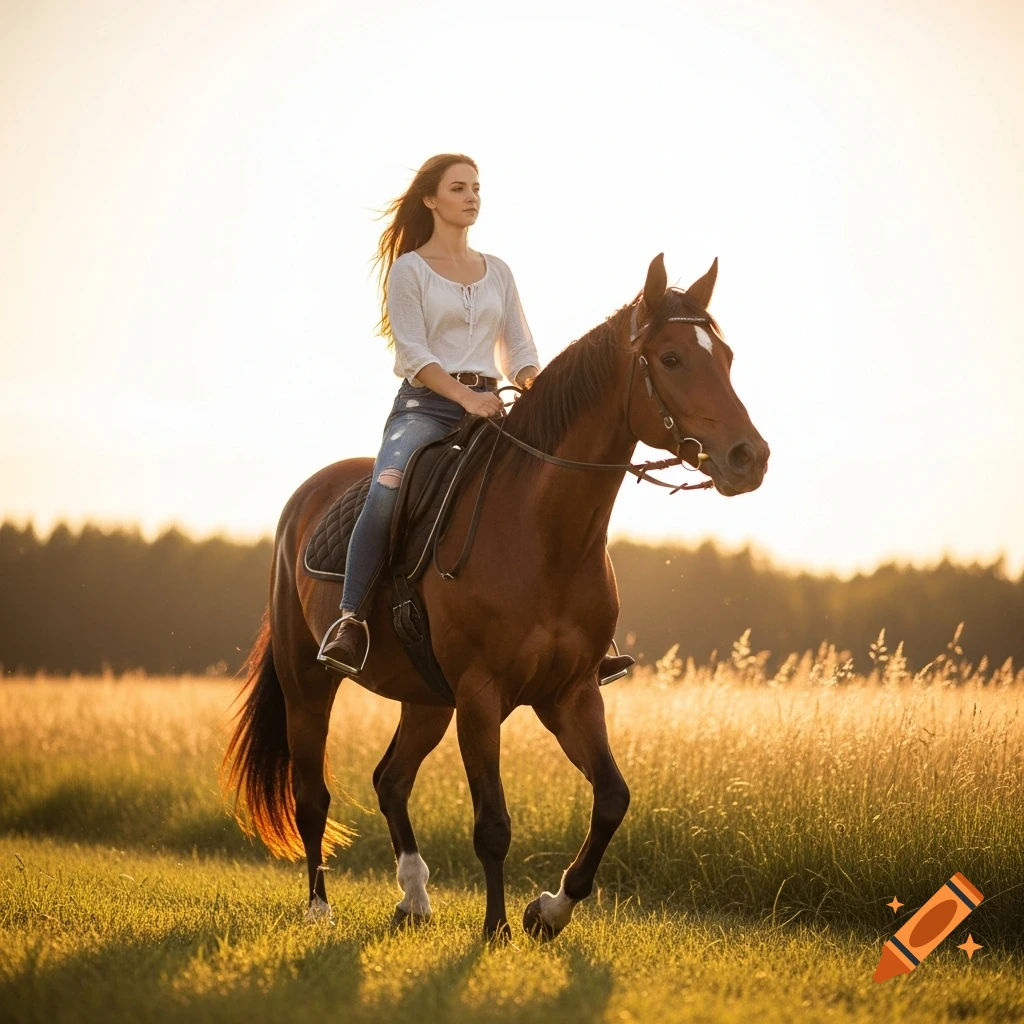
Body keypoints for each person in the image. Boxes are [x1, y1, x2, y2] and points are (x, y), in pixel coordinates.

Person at [318, 153, 634, 686]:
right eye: (459, 188)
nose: (472, 198)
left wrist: (535, 384)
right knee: (388, 487)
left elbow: (520, 347)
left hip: (493, 404)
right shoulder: (410, 270)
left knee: (551, 490)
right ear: (430, 199)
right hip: (426, 407)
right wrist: (465, 400)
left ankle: (588, 634)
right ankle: (350, 620)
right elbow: (413, 356)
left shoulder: (499, 270)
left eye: (477, 188)